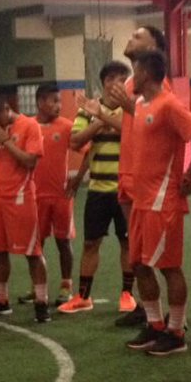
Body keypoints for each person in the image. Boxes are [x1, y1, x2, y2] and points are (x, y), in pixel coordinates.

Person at [123, 50, 191, 357]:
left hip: (163, 202)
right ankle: (155, 325)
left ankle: (177, 331)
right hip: (141, 202)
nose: (132, 77)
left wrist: (189, 173)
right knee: (139, 264)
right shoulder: (142, 105)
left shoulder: (170, 105)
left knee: (169, 267)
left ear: (148, 73)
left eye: (136, 70)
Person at [104, 25, 170, 325]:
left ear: (154, 46)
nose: (131, 37)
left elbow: (162, 123)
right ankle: (148, 311)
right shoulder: (131, 82)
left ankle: (175, 320)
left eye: (139, 35)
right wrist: (101, 114)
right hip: (128, 175)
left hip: (149, 183)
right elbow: (131, 125)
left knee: (163, 259)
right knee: (138, 254)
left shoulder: (158, 85)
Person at [59, 61, 133, 315]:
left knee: (128, 243)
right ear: (103, 81)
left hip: (126, 189)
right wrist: (100, 120)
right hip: (98, 188)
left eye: (122, 78)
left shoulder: (132, 108)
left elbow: (131, 133)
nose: (117, 83)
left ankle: (127, 295)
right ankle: (83, 296)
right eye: (112, 77)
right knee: (91, 243)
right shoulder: (88, 109)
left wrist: (101, 117)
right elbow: (76, 140)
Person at [0, 90, 50, 323]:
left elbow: (30, 162)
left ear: (7, 108)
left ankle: (41, 302)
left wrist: (6, 141)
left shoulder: (30, 126)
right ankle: (1, 300)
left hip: (21, 198)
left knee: (32, 253)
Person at [26, 84, 79, 306]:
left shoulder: (67, 127)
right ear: (40, 102)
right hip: (34, 197)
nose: (58, 105)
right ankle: (37, 287)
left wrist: (77, 178)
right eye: (53, 101)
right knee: (35, 245)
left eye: (59, 101)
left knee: (63, 242)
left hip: (61, 196)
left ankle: (66, 285)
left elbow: (86, 150)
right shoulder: (28, 127)